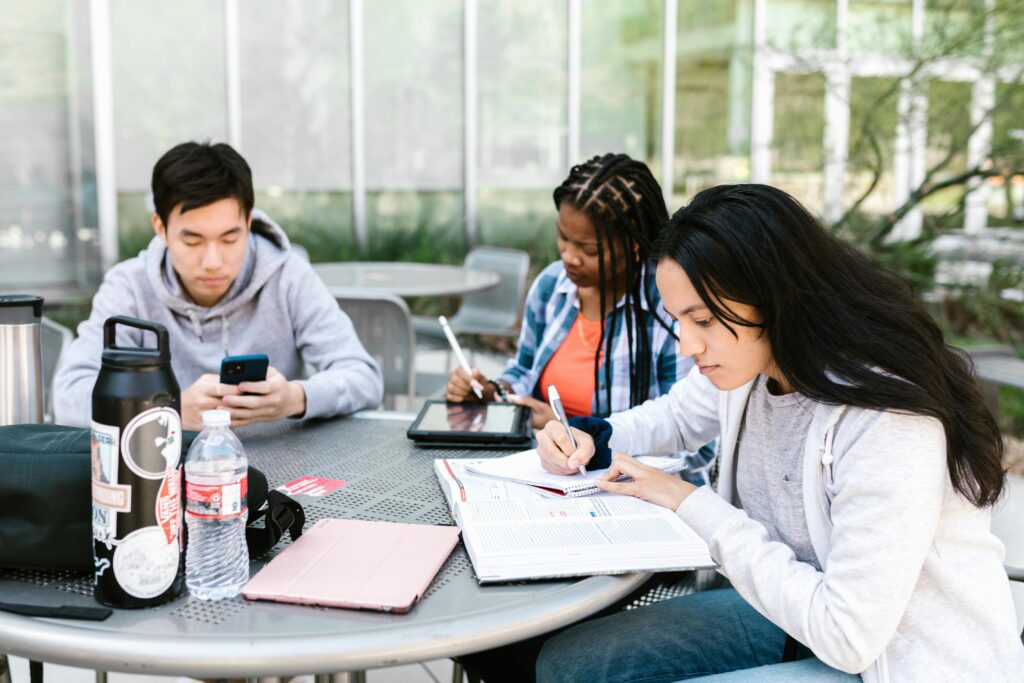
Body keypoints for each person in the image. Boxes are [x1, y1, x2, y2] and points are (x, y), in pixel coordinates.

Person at [533, 184, 1024, 681]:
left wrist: (690, 503)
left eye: (701, 319)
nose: (686, 345)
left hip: (896, 661)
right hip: (796, 613)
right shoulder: (753, 363)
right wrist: (594, 434)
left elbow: (848, 637)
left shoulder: (884, 419)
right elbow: (677, 417)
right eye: (678, 319)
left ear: (773, 297)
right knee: (567, 665)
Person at [54, 142, 382, 430]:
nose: (213, 261)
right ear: (161, 228)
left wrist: (296, 398)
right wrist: (168, 411)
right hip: (165, 476)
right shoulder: (129, 288)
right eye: (193, 240)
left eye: (230, 238)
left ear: (249, 222)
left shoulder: (288, 276)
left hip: (283, 471)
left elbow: (364, 377)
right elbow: (68, 395)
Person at [446, 153, 714, 476]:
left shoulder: (667, 306)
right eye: (563, 238)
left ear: (633, 244)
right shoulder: (551, 287)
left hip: (630, 489)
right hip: (545, 471)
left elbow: (693, 441)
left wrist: (573, 430)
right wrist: (492, 391)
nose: (569, 257)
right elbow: (524, 372)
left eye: (588, 250)